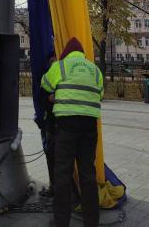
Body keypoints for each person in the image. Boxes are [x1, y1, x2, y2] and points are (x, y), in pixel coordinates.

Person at [41, 37, 103, 227]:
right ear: (82, 54)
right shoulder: (94, 69)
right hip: (89, 127)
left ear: (66, 53)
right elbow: (99, 93)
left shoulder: (60, 66)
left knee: (62, 174)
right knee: (87, 175)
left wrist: (56, 94)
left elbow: (45, 85)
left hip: (67, 126)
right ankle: (91, 222)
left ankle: (61, 222)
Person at [36, 52, 57, 197]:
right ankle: (54, 186)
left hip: (60, 125)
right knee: (51, 156)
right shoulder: (47, 77)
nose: (54, 64)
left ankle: (60, 188)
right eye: (52, 61)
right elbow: (42, 96)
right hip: (50, 123)